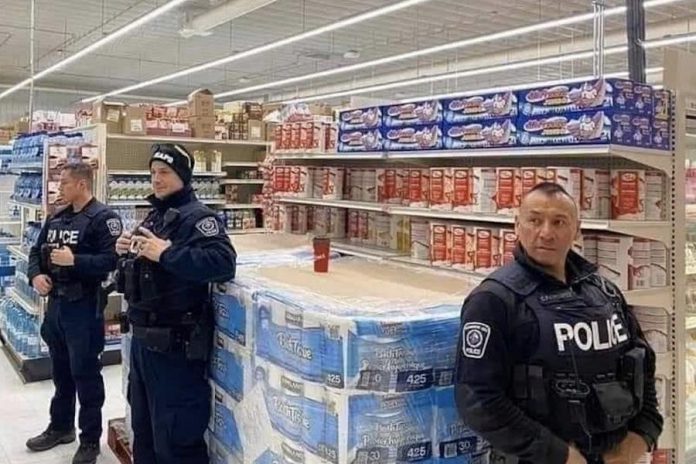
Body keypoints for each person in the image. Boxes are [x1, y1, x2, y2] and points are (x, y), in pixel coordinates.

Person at [455, 182, 663, 464]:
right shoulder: (494, 301)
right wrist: (559, 455)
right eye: (534, 220)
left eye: (559, 222)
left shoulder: (605, 292)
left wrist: (642, 434)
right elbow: (477, 399)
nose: (546, 233)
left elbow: (642, 366)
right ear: (517, 225)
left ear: (577, 230)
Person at [115, 143, 237, 464]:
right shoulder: (157, 216)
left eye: (165, 172)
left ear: (183, 175)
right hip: (144, 346)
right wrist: (127, 252)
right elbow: (137, 276)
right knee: (144, 432)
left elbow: (223, 262)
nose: (156, 179)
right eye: (153, 172)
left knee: (175, 440)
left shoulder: (199, 219)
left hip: (175, 351)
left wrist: (166, 253)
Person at [26, 162, 122, 464]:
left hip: (84, 308)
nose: (60, 188)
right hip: (56, 307)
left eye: (65, 183)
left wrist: (74, 261)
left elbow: (110, 261)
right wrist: (35, 276)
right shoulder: (57, 216)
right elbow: (35, 252)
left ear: (82, 184)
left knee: (86, 375)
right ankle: (61, 427)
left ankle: (90, 440)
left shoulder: (103, 219)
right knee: (61, 373)